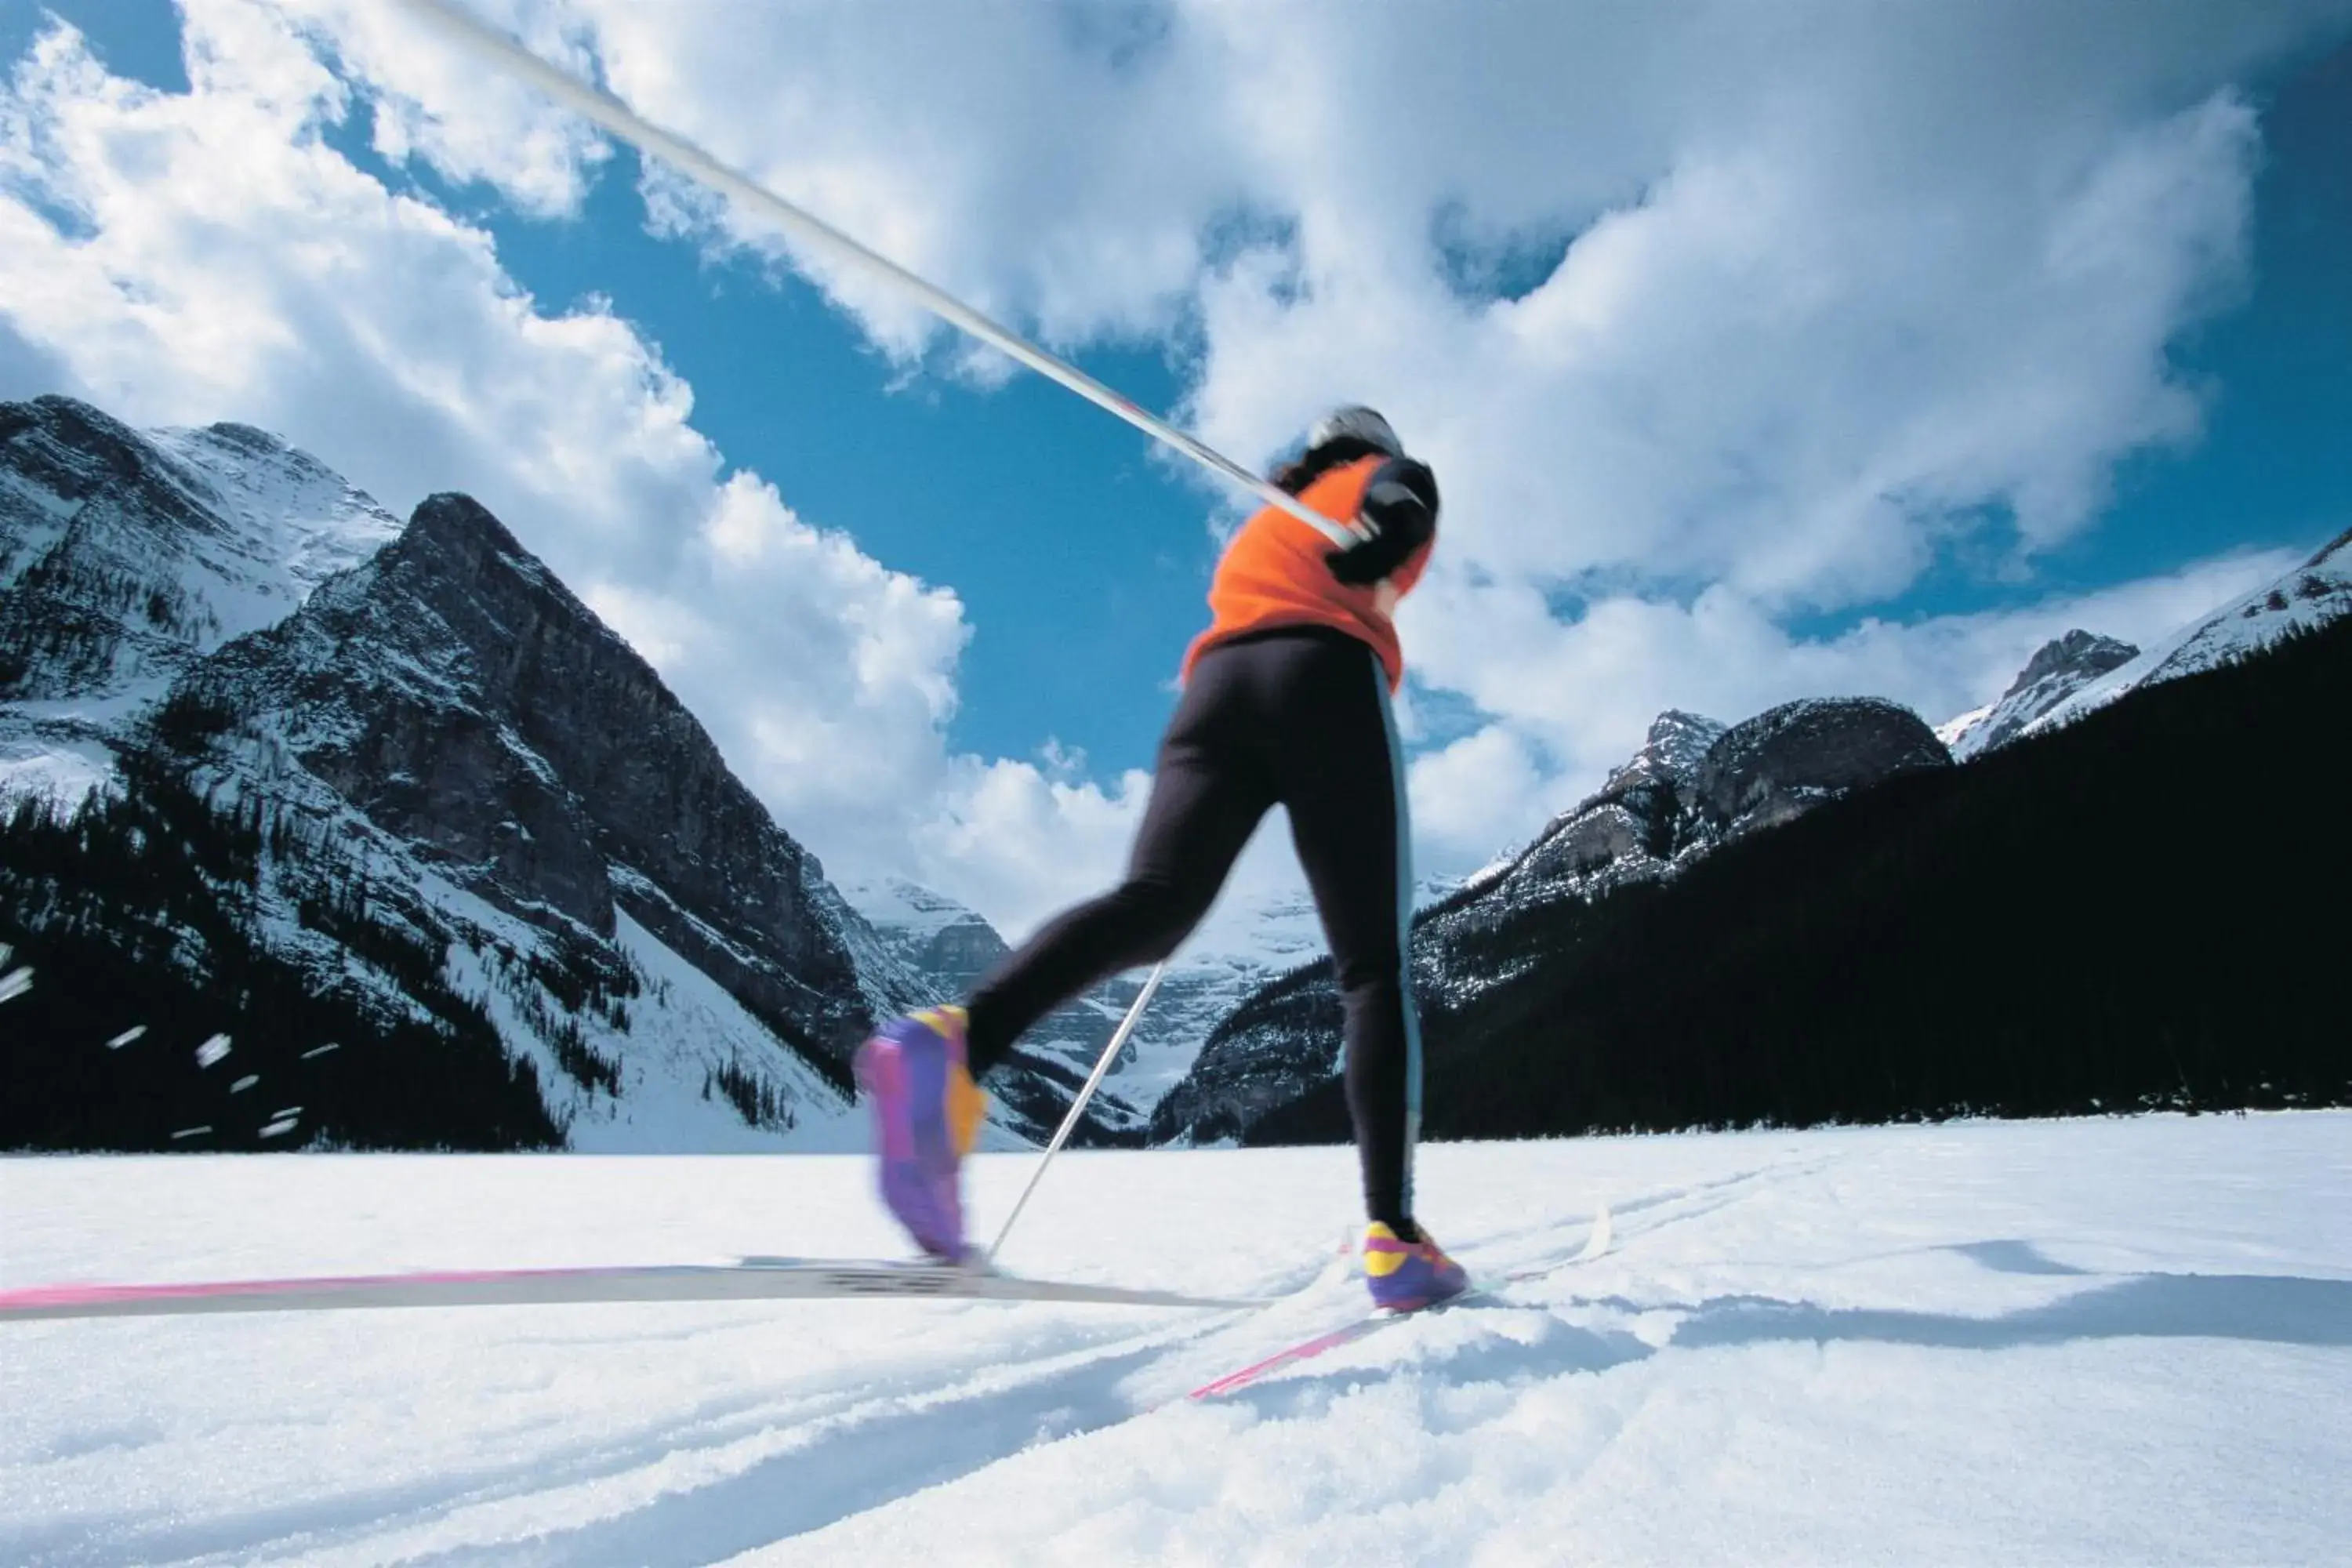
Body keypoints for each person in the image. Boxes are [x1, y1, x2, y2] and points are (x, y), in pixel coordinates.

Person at [855, 405, 1467, 1312]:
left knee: (1155, 899)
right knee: (1372, 969)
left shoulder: (1270, 520)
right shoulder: (1378, 474)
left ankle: (955, 1042)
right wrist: (1385, 539)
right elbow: (1405, 503)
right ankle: (1394, 1235)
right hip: (1325, 677)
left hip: (1214, 696)